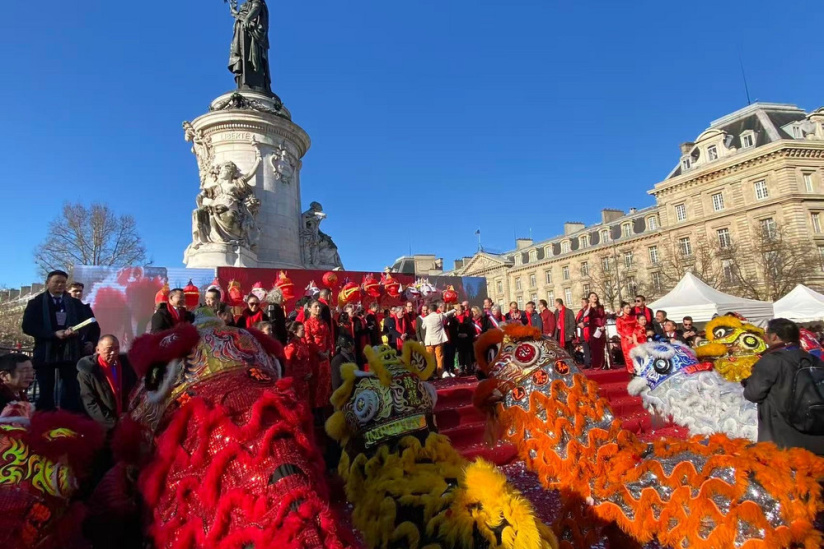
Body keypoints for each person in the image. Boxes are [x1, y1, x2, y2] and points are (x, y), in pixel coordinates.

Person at [743, 318, 824, 455]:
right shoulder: (813, 358)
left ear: (774, 336)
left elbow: (753, 394)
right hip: (816, 432)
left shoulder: (772, 360)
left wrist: (748, 381)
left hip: (783, 438)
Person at [22, 270, 94, 412]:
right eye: (56, 282)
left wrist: (78, 333)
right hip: (45, 353)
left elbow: (88, 323)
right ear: (47, 283)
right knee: (45, 391)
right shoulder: (36, 302)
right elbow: (28, 326)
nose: (60, 285)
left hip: (70, 353)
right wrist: (52, 334)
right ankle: (45, 421)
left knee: (71, 390)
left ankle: (69, 421)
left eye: (63, 282)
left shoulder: (75, 303)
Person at [76, 335, 137, 432]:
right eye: (109, 349)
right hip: (103, 426)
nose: (113, 353)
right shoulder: (88, 372)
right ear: (98, 350)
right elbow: (90, 403)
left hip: (126, 421)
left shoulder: (126, 365)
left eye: (116, 348)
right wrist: (113, 423)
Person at [303, 300, 333, 413]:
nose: (318, 309)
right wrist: (319, 352)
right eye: (315, 307)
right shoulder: (307, 323)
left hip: (325, 356)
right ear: (309, 309)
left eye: (319, 307)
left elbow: (329, 338)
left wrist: (328, 351)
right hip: (314, 357)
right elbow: (308, 341)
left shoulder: (324, 323)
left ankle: (324, 408)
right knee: (315, 384)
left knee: (325, 382)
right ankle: (315, 410)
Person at [421, 302, 455, 377]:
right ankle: (440, 373)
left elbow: (423, 327)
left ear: (429, 310)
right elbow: (447, 314)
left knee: (429, 358)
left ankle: (429, 374)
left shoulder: (426, 318)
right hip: (438, 340)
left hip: (429, 341)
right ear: (436, 309)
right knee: (439, 357)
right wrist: (454, 310)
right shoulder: (440, 316)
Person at [284, 322, 313, 404]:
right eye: (302, 330)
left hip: (305, 380)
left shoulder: (302, 344)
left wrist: (309, 372)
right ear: (294, 332)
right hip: (296, 381)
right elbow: (287, 365)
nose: (304, 331)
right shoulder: (291, 346)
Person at [68, 281, 100, 352]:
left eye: (80, 291)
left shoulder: (86, 309)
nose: (78, 293)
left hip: (83, 350)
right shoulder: (61, 308)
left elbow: (95, 329)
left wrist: (92, 343)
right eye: (75, 291)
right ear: (67, 292)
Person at [580, 293, 606, 369]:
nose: (594, 297)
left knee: (601, 346)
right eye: (592, 296)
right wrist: (589, 307)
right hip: (593, 327)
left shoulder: (600, 307)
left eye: (595, 296)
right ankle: (595, 364)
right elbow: (585, 315)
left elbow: (603, 317)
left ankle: (602, 363)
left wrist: (603, 325)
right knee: (594, 347)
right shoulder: (588, 308)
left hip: (600, 327)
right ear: (589, 299)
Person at [449, 303, 474, 376]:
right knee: (460, 355)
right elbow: (452, 330)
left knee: (467, 354)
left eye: (460, 310)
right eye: (457, 310)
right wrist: (457, 335)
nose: (458, 311)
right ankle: (461, 369)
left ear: (463, 310)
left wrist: (467, 334)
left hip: (466, 340)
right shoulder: (454, 320)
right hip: (458, 340)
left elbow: (471, 328)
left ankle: (469, 369)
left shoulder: (467, 319)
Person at [615, 302, 639, 374]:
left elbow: (637, 327)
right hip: (625, 339)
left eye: (629, 308)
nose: (629, 309)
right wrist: (627, 337)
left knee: (636, 353)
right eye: (627, 308)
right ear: (622, 309)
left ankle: (638, 368)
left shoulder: (634, 317)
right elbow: (618, 330)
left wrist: (634, 336)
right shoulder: (619, 319)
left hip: (635, 337)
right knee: (628, 355)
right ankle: (631, 371)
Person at [575, 298, 592, 368]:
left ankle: (592, 361)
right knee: (585, 348)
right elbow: (577, 320)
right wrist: (579, 324)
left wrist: (584, 324)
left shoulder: (590, 310)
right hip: (582, 332)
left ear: (587, 303)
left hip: (588, 331)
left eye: (583, 302)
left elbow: (592, 320)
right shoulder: (581, 311)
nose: (581, 304)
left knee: (591, 348)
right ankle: (587, 363)